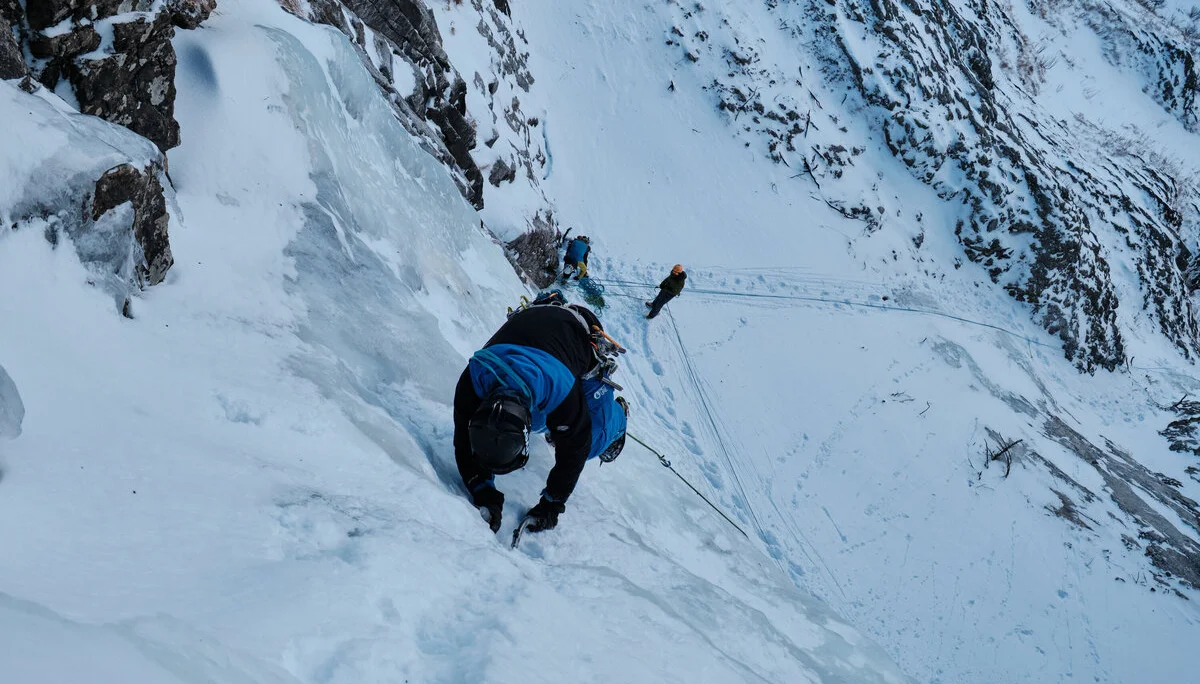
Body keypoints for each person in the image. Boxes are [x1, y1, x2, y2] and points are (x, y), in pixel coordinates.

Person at [453, 301, 606, 535]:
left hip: (581, 332)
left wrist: (552, 504)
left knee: (593, 437)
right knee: (558, 424)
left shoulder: (561, 391)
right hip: (538, 327)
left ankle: (617, 420)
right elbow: (463, 439)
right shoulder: (473, 382)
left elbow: (576, 448)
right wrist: (481, 488)